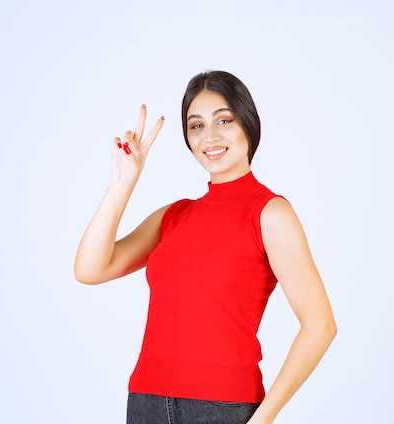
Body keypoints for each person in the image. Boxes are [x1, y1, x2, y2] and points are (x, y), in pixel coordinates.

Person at [74, 70, 337, 424]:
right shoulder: (173, 215)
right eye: (196, 126)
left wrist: (264, 418)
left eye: (223, 120)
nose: (209, 136)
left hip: (222, 409)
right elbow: (90, 269)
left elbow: (320, 325)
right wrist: (121, 184)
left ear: (247, 123)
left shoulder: (271, 214)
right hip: (146, 402)